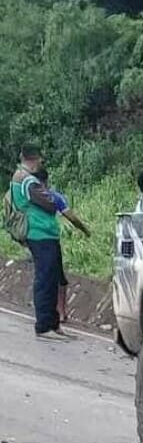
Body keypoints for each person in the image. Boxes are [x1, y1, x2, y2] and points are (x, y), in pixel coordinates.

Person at [10, 146, 73, 341]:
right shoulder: (27, 180)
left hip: (46, 233)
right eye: (39, 160)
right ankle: (44, 326)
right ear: (34, 159)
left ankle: (53, 324)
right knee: (45, 279)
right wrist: (57, 200)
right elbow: (49, 202)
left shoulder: (22, 177)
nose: (40, 163)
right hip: (38, 233)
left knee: (52, 278)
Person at [34, 168, 91, 324]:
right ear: (46, 180)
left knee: (43, 275)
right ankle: (61, 311)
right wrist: (85, 230)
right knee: (59, 277)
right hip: (50, 239)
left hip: (34, 240)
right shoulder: (54, 197)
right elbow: (71, 217)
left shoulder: (30, 197)